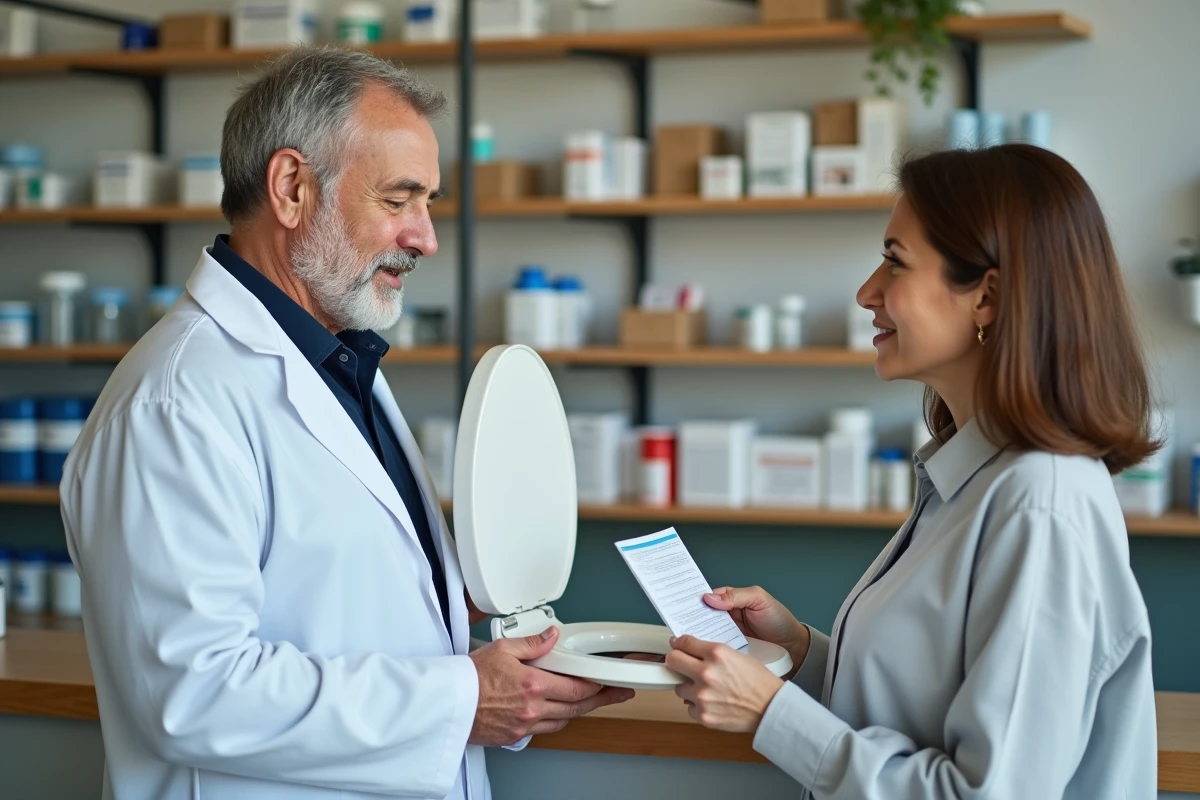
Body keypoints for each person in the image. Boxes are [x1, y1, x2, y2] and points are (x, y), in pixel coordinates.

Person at [60, 46, 631, 800]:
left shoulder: (340, 365)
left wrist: (446, 603)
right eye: (399, 200)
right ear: (292, 188)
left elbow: (330, 589)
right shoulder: (176, 402)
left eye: (427, 203)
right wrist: (463, 701)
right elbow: (190, 693)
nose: (426, 237)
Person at [664, 144, 1158, 799]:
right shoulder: (974, 479)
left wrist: (769, 714)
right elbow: (922, 703)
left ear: (988, 297)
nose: (867, 291)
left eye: (895, 261)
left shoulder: (1039, 502)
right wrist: (802, 655)